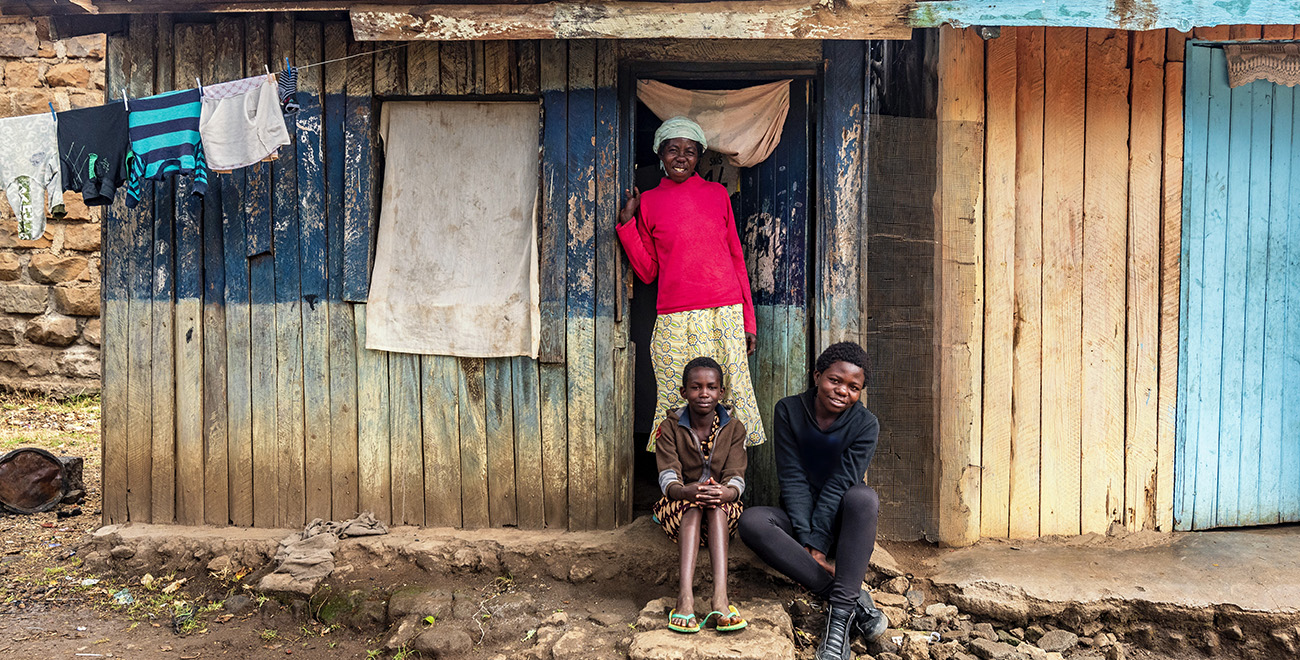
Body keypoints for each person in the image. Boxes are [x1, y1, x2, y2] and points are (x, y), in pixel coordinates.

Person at [617, 116, 766, 452]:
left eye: (690, 151)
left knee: (728, 398)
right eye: (673, 150)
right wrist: (628, 226)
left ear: (699, 156)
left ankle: (725, 488)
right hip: (675, 318)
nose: (681, 157)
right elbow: (647, 272)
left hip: (724, 313)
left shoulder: (717, 194)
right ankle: (679, 489)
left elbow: (736, 259)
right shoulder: (650, 202)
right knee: (676, 397)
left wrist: (748, 320)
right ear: (660, 153)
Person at [737, 341, 888, 660]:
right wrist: (807, 540)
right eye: (835, 380)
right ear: (818, 375)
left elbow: (839, 484)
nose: (842, 390)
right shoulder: (788, 410)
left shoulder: (865, 425)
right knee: (751, 521)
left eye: (853, 387)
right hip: (798, 520)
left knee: (863, 497)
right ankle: (851, 600)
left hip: (842, 528)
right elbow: (792, 478)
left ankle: (836, 630)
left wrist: (818, 545)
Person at [653, 356, 749, 634]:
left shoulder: (734, 428)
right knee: (692, 506)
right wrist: (686, 491)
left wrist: (725, 492)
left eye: (711, 387)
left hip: (722, 511)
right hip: (678, 507)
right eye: (695, 387)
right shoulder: (670, 427)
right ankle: (685, 598)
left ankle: (720, 597)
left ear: (721, 392)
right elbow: (667, 475)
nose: (704, 393)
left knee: (716, 506)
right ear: (684, 393)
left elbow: (736, 475)